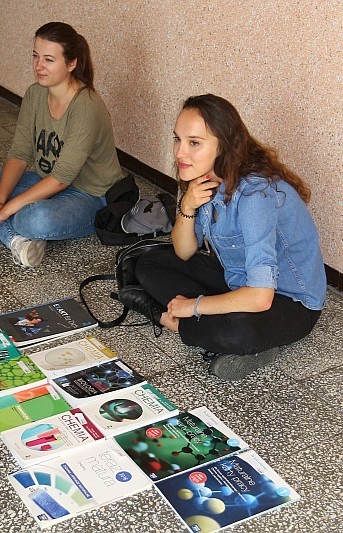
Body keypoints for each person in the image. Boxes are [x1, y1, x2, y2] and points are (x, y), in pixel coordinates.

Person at [119, 94, 326, 381]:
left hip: (289, 302)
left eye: (194, 143)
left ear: (224, 146)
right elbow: (183, 252)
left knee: (239, 331)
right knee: (148, 263)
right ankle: (209, 327)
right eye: (178, 139)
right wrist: (187, 206)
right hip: (238, 281)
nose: (180, 153)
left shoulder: (255, 195)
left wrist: (192, 306)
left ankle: (168, 319)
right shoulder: (201, 177)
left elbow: (260, 297)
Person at [0, 22, 123, 267]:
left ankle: (3, 227)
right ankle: (14, 235)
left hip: (90, 195)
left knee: (34, 219)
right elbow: (19, 154)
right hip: (47, 182)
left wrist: (5, 210)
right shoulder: (35, 94)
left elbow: (61, 179)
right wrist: (0, 201)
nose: (38, 66)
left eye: (49, 60)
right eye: (35, 56)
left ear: (71, 63)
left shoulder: (86, 106)